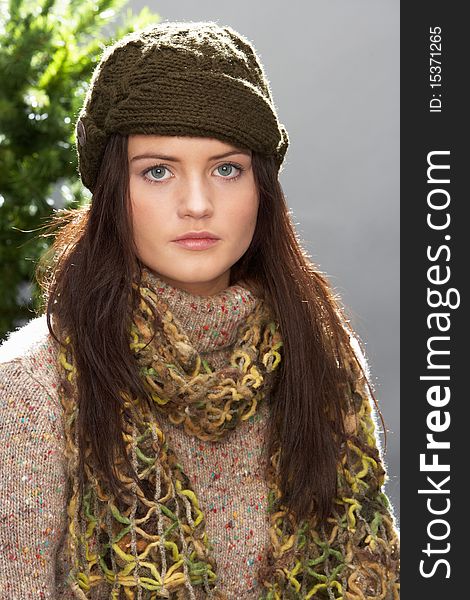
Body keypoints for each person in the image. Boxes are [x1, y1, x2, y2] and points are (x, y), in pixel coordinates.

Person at [0, 21, 400, 600]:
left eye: (226, 168)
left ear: (262, 188)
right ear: (113, 189)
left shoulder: (325, 361)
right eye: (157, 171)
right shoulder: (28, 387)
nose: (196, 204)